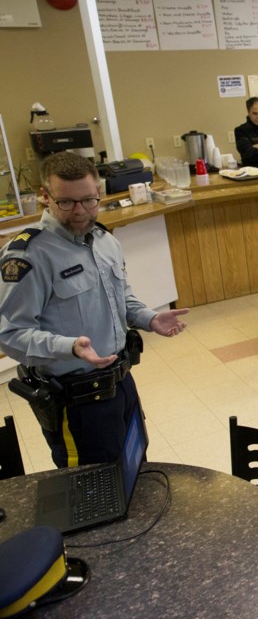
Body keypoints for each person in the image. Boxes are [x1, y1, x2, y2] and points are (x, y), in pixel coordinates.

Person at [0, 152, 189, 468]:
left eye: (89, 201)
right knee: (95, 492)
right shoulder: (28, 256)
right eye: (66, 203)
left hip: (121, 382)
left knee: (134, 469)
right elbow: (9, 334)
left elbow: (122, 299)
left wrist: (150, 317)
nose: (80, 212)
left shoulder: (104, 240)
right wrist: (69, 347)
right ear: (46, 196)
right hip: (77, 401)